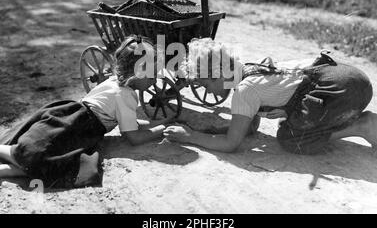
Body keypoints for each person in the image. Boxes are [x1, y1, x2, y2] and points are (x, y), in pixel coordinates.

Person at [0, 35, 171, 188]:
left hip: (69, 114)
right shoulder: (126, 96)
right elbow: (133, 137)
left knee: (49, 159)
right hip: (78, 128)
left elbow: (130, 123)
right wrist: (160, 131)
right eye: (152, 75)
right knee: (46, 158)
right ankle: (11, 158)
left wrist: (160, 122)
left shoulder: (112, 82)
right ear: (137, 74)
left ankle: (7, 169)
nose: (154, 79)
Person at [164, 38, 377, 155]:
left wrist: (191, 136)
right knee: (296, 119)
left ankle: (361, 126)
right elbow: (250, 127)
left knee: (290, 139)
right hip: (349, 77)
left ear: (218, 74)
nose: (207, 92)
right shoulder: (249, 68)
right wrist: (218, 129)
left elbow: (231, 144)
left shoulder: (243, 91)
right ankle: (350, 119)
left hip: (341, 90)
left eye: (205, 84)